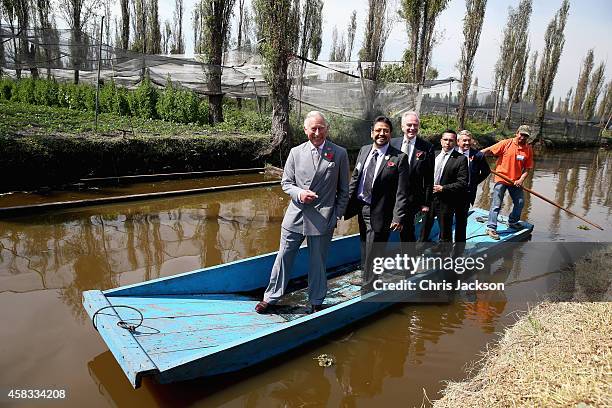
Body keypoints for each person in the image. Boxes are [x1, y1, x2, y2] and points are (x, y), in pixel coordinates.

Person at [255, 111, 350, 314]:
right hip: (296, 215)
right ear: (305, 130)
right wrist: (299, 194)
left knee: (318, 261)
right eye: (313, 129)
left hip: (323, 218)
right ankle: (271, 297)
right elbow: (286, 183)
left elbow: (344, 190)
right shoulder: (296, 152)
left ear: (327, 128)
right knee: (284, 257)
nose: (317, 132)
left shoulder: (339, 153)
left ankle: (316, 300)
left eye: (320, 128)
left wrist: (337, 215)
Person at [344, 116, 408, 288]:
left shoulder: (399, 158)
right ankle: (368, 276)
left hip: (382, 210)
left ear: (390, 134)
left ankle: (370, 285)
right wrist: (344, 204)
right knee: (365, 244)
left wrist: (398, 217)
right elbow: (355, 178)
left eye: (385, 131)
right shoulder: (364, 150)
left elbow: (402, 191)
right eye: (378, 130)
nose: (382, 134)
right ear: (372, 133)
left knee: (376, 248)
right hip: (361, 206)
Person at [481, 124, 534, 240]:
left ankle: (513, 222)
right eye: (521, 134)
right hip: (501, 178)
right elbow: (489, 150)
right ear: (517, 133)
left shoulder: (528, 149)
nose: (523, 137)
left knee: (520, 202)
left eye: (526, 136)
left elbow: (528, 169)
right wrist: (477, 155)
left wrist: (521, 180)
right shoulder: (506, 143)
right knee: (496, 203)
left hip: (516, 181)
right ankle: (491, 227)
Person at [390, 111, 435, 242]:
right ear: (402, 126)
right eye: (409, 125)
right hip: (391, 195)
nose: (412, 128)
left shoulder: (427, 147)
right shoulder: (392, 143)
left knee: (408, 231)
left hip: (412, 199)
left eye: (415, 125)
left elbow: (428, 178)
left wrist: (426, 203)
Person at [420, 129, 468, 245]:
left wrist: (443, 188)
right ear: (441, 141)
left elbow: (462, 182)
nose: (447, 143)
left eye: (451, 140)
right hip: (429, 199)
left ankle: (445, 256)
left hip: (446, 201)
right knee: (424, 228)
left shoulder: (461, 159)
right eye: (445, 140)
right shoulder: (433, 154)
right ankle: (418, 251)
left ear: (455, 142)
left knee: (445, 232)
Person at [454, 130, 491, 243]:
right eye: (464, 140)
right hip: (450, 192)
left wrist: (474, 182)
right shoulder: (452, 153)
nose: (466, 143)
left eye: (469, 140)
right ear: (458, 141)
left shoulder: (478, 155)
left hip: (466, 193)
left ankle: (459, 246)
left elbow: (486, 171)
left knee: (461, 221)